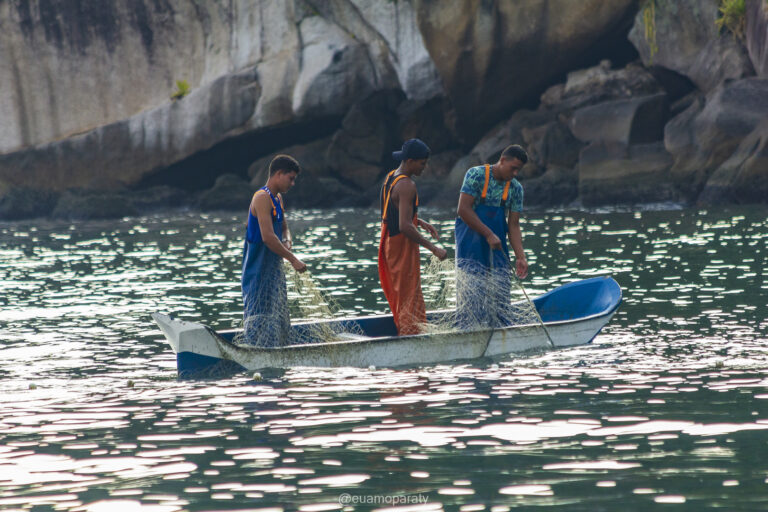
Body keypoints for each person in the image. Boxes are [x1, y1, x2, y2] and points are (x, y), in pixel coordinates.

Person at [454, 144, 529, 328]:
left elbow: (514, 225)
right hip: (470, 244)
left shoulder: (516, 188)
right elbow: (463, 209)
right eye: (513, 168)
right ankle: (469, 331)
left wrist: (521, 256)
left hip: (497, 246)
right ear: (502, 160)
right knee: (473, 292)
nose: (515, 173)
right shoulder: (476, 175)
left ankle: (502, 329)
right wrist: (488, 234)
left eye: (518, 170)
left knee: (501, 293)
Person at [378, 138, 448, 336]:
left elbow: (392, 211)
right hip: (401, 245)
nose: (424, 168)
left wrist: (420, 221)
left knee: (401, 292)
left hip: (388, 242)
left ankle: (409, 330)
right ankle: (410, 335)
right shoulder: (407, 185)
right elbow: (404, 225)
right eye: (422, 163)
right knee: (408, 294)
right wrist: (434, 248)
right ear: (409, 161)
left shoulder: (391, 176)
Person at [242, 154, 307, 346]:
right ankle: (256, 352)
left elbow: (285, 228)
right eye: (291, 178)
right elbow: (268, 237)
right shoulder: (262, 198)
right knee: (259, 315)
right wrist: (293, 259)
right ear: (279, 174)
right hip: (257, 271)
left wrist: (287, 240)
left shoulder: (278, 199)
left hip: (274, 271)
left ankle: (276, 350)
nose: (293, 183)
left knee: (277, 316)